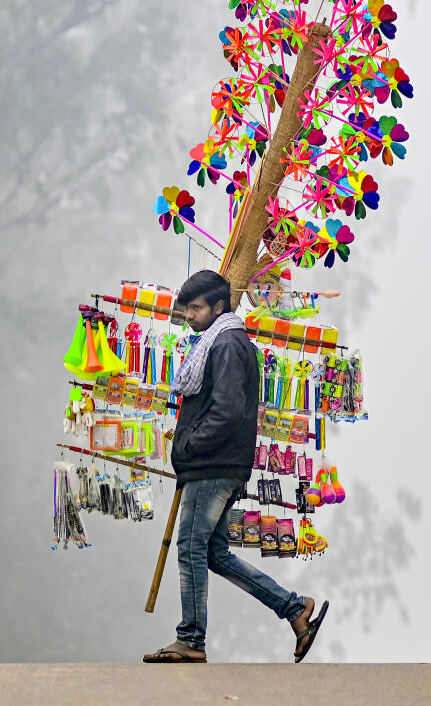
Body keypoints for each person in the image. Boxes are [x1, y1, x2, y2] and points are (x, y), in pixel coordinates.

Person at [142, 270, 327, 664]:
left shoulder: (225, 343)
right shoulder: (221, 340)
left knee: (190, 547)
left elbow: (226, 412)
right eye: (186, 308)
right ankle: (294, 608)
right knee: (214, 553)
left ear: (218, 307)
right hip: (220, 464)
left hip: (212, 465)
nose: (189, 315)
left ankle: (191, 639)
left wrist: (190, 448)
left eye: (196, 307)